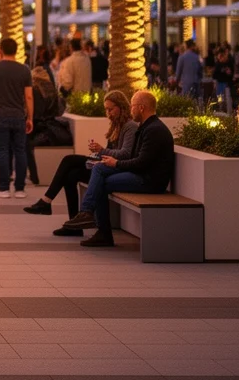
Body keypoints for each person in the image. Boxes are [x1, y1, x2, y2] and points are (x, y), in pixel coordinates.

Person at [63, 90, 175, 247]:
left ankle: (96, 224)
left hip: (149, 181)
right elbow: (136, 160)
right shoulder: (146, 127)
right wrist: (112, 162)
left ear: (141, 108)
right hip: (140, 174)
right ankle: (89, 216)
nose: (131, 110)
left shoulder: (154, 130)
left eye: (133, 106)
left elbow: (141, 163)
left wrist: (116, 163)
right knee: (99, 169)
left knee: (101, 181)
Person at [23, 90, 138, 236]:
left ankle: (46, 201)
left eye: (111, 109)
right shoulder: (116, 126)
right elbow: (110, 152)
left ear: (121, 107)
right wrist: (97, 154)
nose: (108, 113)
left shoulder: (129, 126)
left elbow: (125, 154)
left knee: (69, 160)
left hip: (115, 170)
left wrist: (101, 151)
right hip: (106, 166)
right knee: (70, 175)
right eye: (106, 110)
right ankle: (72, 226)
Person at [0, 37, 33, 198]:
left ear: (1, 50)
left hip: (0, 116)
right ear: (16, 50)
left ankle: (3, 188)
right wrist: (30, 117)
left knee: (2, 151)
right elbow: (29, 96)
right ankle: (20, 189)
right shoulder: (24, 70)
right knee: (20, 151)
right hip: (18, 116)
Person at [25, 65, 69, 186]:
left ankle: (34, 175)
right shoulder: (52, 89)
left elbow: (37, 112)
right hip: (51, 125)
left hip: (39, 125)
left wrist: (29, 120)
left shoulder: (34, 89)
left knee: (25, 144)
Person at [211, 47, 235, 112]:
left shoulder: (229, 63)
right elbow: (214, 75)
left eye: (222, 56)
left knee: (228, 98)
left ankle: (229, 110)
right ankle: (221, 108)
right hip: (220, 84)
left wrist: (229, 73)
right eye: (219, 57)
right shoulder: (218, 64)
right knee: (220, 98)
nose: (220, 58)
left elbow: (232, 73)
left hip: (227, 84)